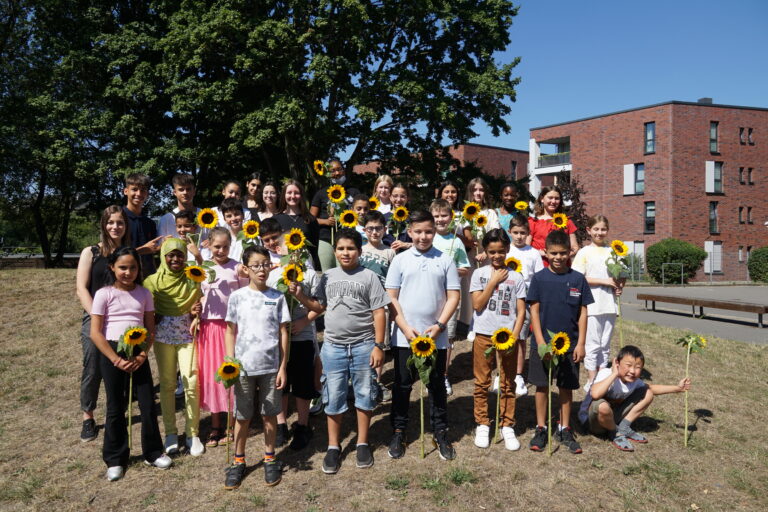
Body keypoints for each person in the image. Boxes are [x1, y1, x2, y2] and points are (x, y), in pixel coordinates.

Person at [89, 246, 172, 481]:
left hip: (137, 351)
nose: (128, 272)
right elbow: (95, 332)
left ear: (139, 268)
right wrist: (115, 359)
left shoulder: (144, 293)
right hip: (112, 352)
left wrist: (142, 354)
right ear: (112, 268)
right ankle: (115, 458)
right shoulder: (103, 294)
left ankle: (153, 452)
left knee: (147, 403)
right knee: (116, 406)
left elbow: (150, 329)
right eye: (122, 267)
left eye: (133, 267)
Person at [313, 228, 390, 473]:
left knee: (365, 395)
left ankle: (362, 443)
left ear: (359, 251)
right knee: (333, 396)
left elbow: (379, 312)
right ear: (335, 251)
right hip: (333, 347)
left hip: (363, 345)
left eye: (351, 248)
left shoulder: (369, 277)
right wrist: (299, 297)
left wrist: (378, 345)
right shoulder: (328, 276)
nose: (346, 253)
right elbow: (319, 306)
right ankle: (333, 446)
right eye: (341, 248)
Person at [386, 210, 460, 461]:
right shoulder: (400, 260)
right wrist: (406, 329)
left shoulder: (445, 260)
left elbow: (453, 296)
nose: (423, 236)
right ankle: (399, 430)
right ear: (409, 232)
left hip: (435, 338)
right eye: (418, 231)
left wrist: (440, 325)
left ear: (435, 231)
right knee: (402, 384)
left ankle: (440, 431)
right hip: (404, 337)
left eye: (428, 231)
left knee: (436, 385)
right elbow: (391, 298)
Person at [224, 245, 291, 489]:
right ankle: (238, 460)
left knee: (269, 414)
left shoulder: (277, 297)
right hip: (243, 368)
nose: (261, 270)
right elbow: (230, 331)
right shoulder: (237, 297)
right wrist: (229, 362)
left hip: (271, 368)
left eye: (265, 264)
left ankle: (270, 457)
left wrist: (282, 367)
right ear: (246, 269)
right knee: (242, 415)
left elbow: (283, 333)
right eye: (256, 265)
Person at [526, 229, 593, 454]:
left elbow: (583, 313)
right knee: (542, 385)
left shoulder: (578, 279)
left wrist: (581, 343)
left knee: (566, 387)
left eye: (562, 253)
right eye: (553, 253)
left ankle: (564, 428)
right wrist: (539, 342)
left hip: (569, 345)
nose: (558, 257)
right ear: (545, 252)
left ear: (570, 252)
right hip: (543, 345)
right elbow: (534, 312)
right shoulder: (539, 278)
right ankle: (541, 427)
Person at [75, 205, 132, 442]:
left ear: (126, 226)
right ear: (103, 225)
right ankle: (88, 416)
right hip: (95, 318)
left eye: (120, 222)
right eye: (110, 222)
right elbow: (81, 288)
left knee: (121, 366)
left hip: (123, 319)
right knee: (93, 367)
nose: (115, 227)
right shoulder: (91, 252)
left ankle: (116, 413)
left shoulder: (128, 253)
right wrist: (98, 315)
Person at [144, 238, 204, 457]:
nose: (176, 259)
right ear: (163, 257)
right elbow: (145, 308)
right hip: (163, 337)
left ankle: (192, 433)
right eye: (171, 255)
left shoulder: (193, 278)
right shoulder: (151, 282)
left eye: (180, 255)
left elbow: (203, 299)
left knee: (192, 381)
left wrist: (197, 311)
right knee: (168, 384)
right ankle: (170, 433)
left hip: (187, 335)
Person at [470, 228, 526, 450]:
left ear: (508, 250)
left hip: (507, 337)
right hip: (484, 334)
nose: (496, 256)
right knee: (482, 381)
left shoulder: (516, 277)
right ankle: (483, 422)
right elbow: (477, 304)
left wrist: (515, 336)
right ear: (485, 251)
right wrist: (493, 282)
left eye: (501, 251)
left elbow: (521, 311)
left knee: (507, 382)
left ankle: (507, 424)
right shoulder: (479, 275)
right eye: (492, 252)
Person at [267, 229, 323, 451]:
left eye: (298, 248)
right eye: (290, 248)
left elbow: (320, 305)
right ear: (278, 250)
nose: (295, 253)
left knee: (302, 383)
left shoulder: (310, 276)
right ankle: (281, 424)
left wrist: (304, 319)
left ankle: (302, 425)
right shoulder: (273, 276)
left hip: (302, 335)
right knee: (280, 383)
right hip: (277, 339)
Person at [196, 227, 248, 448]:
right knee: (211, 376)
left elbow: (245, 295)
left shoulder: (237, 267)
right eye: (217, 246)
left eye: (225, 246)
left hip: (229, 327)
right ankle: (215, 424)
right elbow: (197, 293)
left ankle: (231, 424)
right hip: (208, 327)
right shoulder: (203, 268)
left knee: (230, 373)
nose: (221, 250)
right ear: (208, 244)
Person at [587, 345, 691, 451]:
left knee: (648, 393)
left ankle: (623, 427)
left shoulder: (634, 381)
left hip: (613, 417)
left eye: (638, 367)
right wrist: (614, 374)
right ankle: (615, 432)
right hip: (597, 423)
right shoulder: (606, 373)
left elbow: (652, 388)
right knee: (602, 406)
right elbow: (595, 394)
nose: (632, 371)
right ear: (617, 363)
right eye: (628, 365)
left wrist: (677, 388)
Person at [572, 215, 624, 424]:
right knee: (592, 344)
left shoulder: (613, 252)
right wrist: (605, 281)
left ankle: (603, 377)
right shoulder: (584, 252)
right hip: (592, 305)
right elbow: (579, 277)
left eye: (603, 229)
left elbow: (620, 276)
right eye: (596, 229)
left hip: (609, 304)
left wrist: (619, 286)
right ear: (588, 230)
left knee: (605, 344)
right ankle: (592, 379)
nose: (599, 233)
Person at [430, 199, 471, 396]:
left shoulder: (457, 240)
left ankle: (443, 374)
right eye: (436, 216)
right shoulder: (428, 238)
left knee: (447, 336)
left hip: (450, 297)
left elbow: (465, 267)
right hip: (429, 295)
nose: (440, 219)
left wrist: (451, 269)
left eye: (444, 215)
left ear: (451, 217)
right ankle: (430, 373)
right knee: (428, 334)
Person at [359, 211, 396, 401]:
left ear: (385, 229)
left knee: (378, 343)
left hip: (381, 305)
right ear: (364, 230)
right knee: (361, 342)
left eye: (378, 228)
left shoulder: (390, 252)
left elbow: (393, 281)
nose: (374, 232)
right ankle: (359, 379)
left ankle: (376, 381)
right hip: (360, 305)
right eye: (370, 228)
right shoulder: (359, 250)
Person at [505, 214, 544, 397]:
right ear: (509, 232)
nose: (519, 236)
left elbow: (539, 278)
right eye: (516, 232)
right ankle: (502, 372)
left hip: (525, 301)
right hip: (506, 298)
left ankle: (518, 375)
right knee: (503, 334)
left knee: (520, 337)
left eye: (522, 233)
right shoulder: (506, 251)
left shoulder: (533, 253)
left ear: (528, 233)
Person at [310, 159, 360, 271]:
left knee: (346, 271)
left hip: (348, 238)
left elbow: (361, 214)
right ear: (328, 173)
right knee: (327, 273)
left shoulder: (353, 192)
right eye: (333, 171)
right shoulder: (321, 193)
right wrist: (325, 221)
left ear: (344, 170)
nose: (337, 173)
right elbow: (310, 218)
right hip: (326, 238)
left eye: (339, 169)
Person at [122, 173, 163, 278]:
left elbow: (152, 250)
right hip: (125, 277)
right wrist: (141, 250)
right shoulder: (118, 219)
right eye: (134, 189)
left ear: (147, 194)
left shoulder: (150, 223)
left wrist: (164, 245)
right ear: (126, 191)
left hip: (148, 277)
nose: (139, 193)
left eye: (143, 190)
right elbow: (111, 253)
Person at [527, 186, 579, 266]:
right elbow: (526, 247)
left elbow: (575, 247)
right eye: (550, 198)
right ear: (542, 199)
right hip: (540, 265)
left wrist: (562, 256)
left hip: (562, 267)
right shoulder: (533, 222)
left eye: (557, 198)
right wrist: (542, 253)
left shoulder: (567, 222)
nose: (553, 201)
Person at [275, 179, 321, 269]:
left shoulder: (310, 220)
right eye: (289, 193)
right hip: (283, 265)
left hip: (305, 264)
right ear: (284, 195)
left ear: (301, 195)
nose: (293, 196)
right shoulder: (276, 219)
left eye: (296, 193)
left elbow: (314, 248)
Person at [157, 173, 200, 238]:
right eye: (181, 189)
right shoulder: (165, 220)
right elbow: (160, 243)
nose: (185, 192)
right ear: (174, 192)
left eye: (188, 189)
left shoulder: (206, 217)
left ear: (194, 191)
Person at [388, 182, 413, 252]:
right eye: (395, 196)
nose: (398, 199)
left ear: (407, 198)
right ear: (390, 197)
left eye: (402, 196)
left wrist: (406, 245)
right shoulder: (382, 218)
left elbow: (420, 242)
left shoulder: (413, 219)